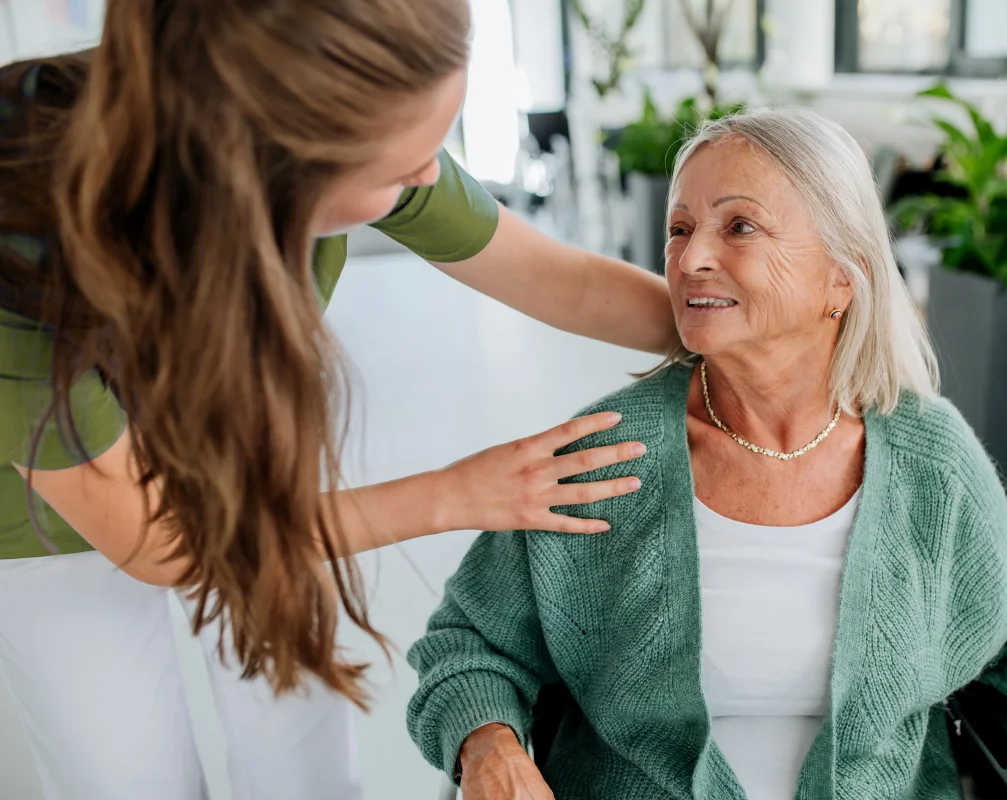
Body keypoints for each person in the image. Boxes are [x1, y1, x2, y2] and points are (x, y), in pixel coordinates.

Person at [0, 1, 670, 798]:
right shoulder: (19, 225)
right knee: (126, 776)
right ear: (271, 162)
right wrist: (459, 493)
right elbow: (167, 544)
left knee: (301, 747)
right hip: (44, 500)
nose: (430, 176)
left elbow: (564, 281)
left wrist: (753, 331)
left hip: (235, 430)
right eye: (402, 167)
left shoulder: (365, 124)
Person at [407, 108, 1007, 800]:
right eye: (679, 228)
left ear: (840, 280)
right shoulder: (604, 455)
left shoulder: (929, 459)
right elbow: (469, 645)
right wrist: (488, 744)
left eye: (740, 226)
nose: (690, 259)